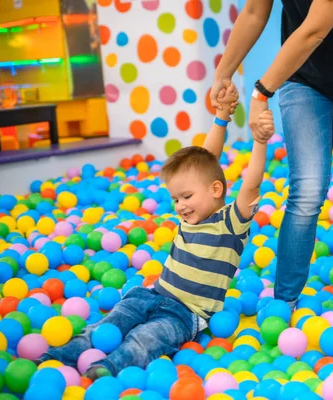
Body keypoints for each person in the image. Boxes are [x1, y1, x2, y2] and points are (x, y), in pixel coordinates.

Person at [35, 83, 275, 379]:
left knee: (146, 340)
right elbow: (203, 162)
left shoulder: (231, 222)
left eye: (186, 197)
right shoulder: (191, 217)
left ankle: (108, 369)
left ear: (215, 190)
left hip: (184, 314)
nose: (180, 206)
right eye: (176, 199)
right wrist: (221, 116)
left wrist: (260, 142)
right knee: (108, 325)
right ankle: (59, 356)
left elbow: (249, 184)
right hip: (149, 294)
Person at [211, 0, 333, 308]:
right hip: (305, 80)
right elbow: (255, 12)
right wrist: (223, 72)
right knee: (307, 191)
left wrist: (261, 92)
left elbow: (314, 31)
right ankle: (284, 303)